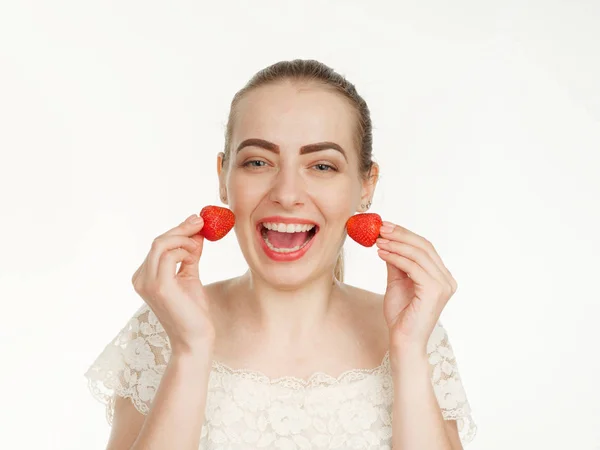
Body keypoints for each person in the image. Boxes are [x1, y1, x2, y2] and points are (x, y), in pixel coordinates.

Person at [85, 59, 477, 450]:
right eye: (258, 162)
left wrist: (407, 352)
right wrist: (190, 351)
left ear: (365, 186)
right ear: (224, 178)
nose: (287, 194)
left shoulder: (414, 334)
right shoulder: (163, 330)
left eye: (322, 165)